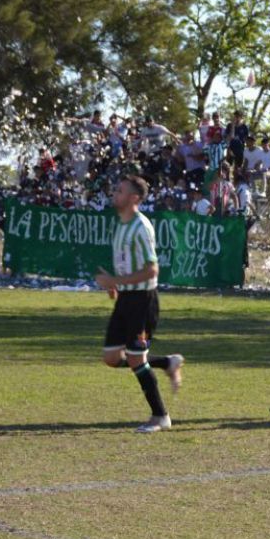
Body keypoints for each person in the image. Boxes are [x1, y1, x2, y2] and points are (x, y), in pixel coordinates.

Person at [94, 175, 184, 433]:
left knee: (135, 359)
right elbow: (126, 263)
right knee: (112, 358)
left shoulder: (141, 227)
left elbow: (152, 270)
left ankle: (160, 416)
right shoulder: (121, 225)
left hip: (143, 301)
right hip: (125, 299)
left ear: (134, 198)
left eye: (120, 191)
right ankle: (167, 363)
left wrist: (115, 279)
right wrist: (115, 285)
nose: (115, 194)